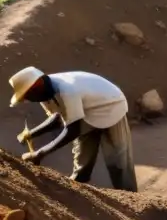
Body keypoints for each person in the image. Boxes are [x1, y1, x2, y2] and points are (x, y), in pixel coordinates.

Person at [9, 67, 138, 192]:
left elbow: (72, 130)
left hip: (111, 105)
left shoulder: (68, 90)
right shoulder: (45, 94)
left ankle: (130, 196)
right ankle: (77, 189)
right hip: (86, 111)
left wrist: (39, 154)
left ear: (37, 85)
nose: (27, 100)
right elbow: (58, 118)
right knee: (82, 157)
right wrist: (31, 134)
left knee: (118, 159)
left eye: (27, 96)